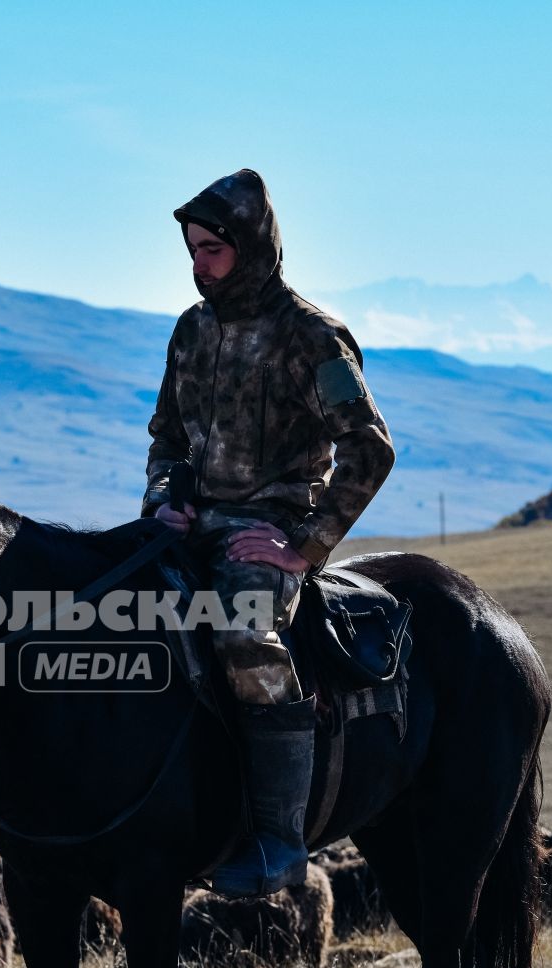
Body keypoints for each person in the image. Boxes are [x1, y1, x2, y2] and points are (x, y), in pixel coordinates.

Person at [142, 169, 395, 896]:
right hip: (185, 525)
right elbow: (166, 439)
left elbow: (370, 448)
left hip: (271, 528)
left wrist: (303, 546)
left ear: (251, 246)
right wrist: (164, 499)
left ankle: (280, 841)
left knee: (244, 635)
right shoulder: (190, 331)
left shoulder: (314, 337)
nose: (199, 265)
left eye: (213, 250)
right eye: (191, 250)